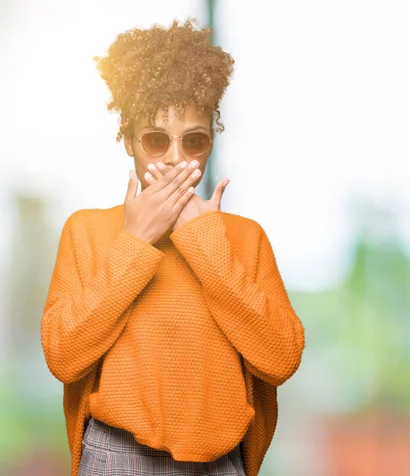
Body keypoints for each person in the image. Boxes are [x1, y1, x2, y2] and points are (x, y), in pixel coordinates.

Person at [40, 19, 305, 476]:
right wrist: (136, 242)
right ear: (128, 141)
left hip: (220, 463)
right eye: (156, 139)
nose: (175, 159)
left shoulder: (245, 238)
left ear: (210, 144)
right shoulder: (86, 231)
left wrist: (206, 244)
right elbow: (63, 358)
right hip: (115, 457)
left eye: (194, 141)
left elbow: (280, 360)